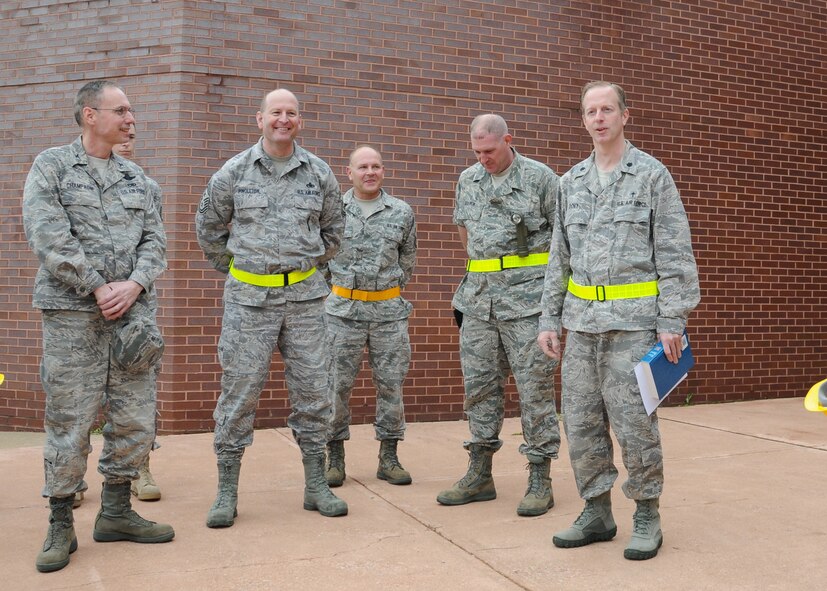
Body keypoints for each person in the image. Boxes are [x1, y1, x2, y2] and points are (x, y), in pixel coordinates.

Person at [538, 81, 700, 560]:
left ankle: (646, 512)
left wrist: (672, 319)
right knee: (582, 423)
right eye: (591, 111)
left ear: (625, 115)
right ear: (584, 120)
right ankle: (596, 509)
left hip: (634, 325)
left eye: (608, 109)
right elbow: (558, 257)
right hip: (582, 325)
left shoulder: (651, 175)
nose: (599, 117)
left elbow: (674, 251)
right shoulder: (571, 182)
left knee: (634, 423)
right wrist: (550, 317)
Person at [23, 80, 174, 574]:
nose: (132, 119)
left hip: (132, 318)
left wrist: (133, 283)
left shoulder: (139, 179)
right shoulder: (52, 167)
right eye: (122, 110)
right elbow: (47, 234)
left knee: (134, 417)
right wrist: (95, 285)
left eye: (131, 111)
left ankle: (115, 512)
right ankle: (61, 522)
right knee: (71, 418)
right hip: (72, 317)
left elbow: (156, 241)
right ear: (91, 115)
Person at [196, 88, 347, 526]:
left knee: (315, 392)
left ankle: (316, 485)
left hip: (305, 301)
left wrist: (300, 267)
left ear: (301, 120)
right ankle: (227, 492)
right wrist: (243, 270)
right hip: (248, 303)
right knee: (239, 394)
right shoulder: (234, 172)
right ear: (258, 119)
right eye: (276, 112)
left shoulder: (319, 173)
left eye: (292, 113)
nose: (284, 119)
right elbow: (208, 228)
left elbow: (334, 233)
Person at [436, 114, 562, 517]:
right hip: (477, 303)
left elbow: (565, 242)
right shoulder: (467, 180)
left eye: (489, 150)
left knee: (534, 390)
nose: (483, 158)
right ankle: (480, 473)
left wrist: (551, 305)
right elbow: (464, 234)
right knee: (479, 388)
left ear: (508, 139)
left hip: (528, 304)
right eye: (476, 151)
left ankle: (540, 476)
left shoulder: (542, 179)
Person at [324, 146, 417, 488]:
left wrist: (383, 290)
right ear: (348, 172)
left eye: (376, 166)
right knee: (335, 386)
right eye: (362, 166)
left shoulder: (402, 212)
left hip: (388, 313)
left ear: (383, 171)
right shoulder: (333, 210)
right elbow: (322, 261)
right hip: (341, 313)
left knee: (391, 385)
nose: (369, 172)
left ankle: (389, 457)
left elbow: (407, 261)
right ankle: (333, 457)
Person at [112, 124, 163, 503]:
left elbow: (155, 243)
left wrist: (134, 285)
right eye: (121, 135)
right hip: (85, 302)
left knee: (139, 394)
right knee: (80, 393)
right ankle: (73, 479)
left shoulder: (148, 188)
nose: (125, 142)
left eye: (131, 138)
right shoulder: (69, 179)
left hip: (138, 305)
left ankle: (138, 468)